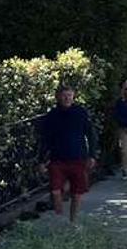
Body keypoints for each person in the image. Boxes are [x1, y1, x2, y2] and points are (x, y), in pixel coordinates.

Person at [36, 83, 97, 223]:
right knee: (55, 190)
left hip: (78, 157)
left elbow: (91, 134)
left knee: (77, 192)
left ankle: (73, 221)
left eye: (69, 95)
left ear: (73, 96)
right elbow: (45, 139)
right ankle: (60, 219)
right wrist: (41, 161)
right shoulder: (52, 115)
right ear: (58, 97)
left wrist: (92, 155)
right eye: (64, 96)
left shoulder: (80, 112)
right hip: (57, 159)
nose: (67, 98)